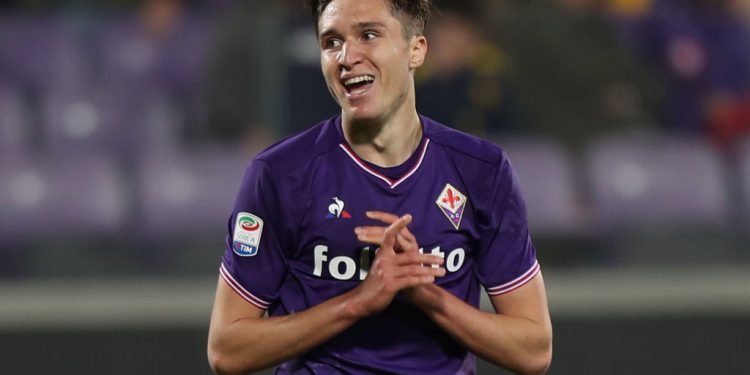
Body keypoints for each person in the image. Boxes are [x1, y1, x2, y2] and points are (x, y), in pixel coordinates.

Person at [207, 0, 552, 374]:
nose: (346, 56)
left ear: (416, 50)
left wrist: (425, 295)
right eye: (331, 42)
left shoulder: (482, 171)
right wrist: (358, 301)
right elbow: (227, 351)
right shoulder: (279, 175)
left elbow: (532, 351)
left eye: (368, 35)